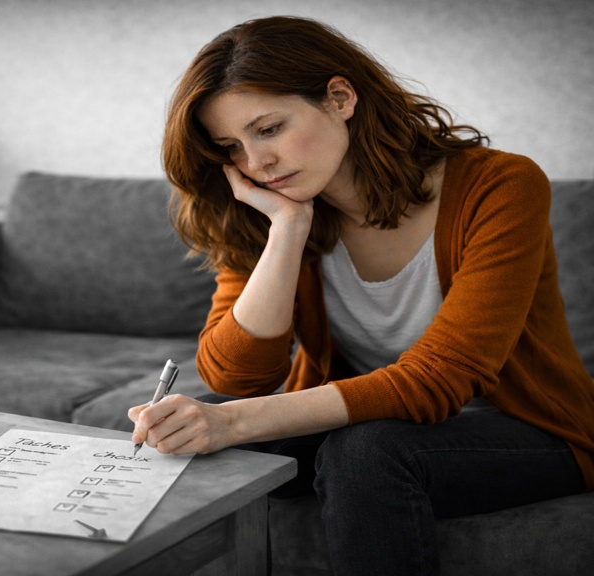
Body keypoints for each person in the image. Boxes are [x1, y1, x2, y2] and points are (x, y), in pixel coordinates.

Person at [128, 15, 594, 575]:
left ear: (340, 97)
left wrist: (234, 422)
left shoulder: (501, 186)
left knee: (364, 453)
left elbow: (439, 380)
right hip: (373, 420)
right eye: (232, 146)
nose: (256, 164)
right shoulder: (266, 209)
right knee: (175, 439)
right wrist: (286, 231)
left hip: (530, 427)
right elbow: (236, 377)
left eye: (270, 128)